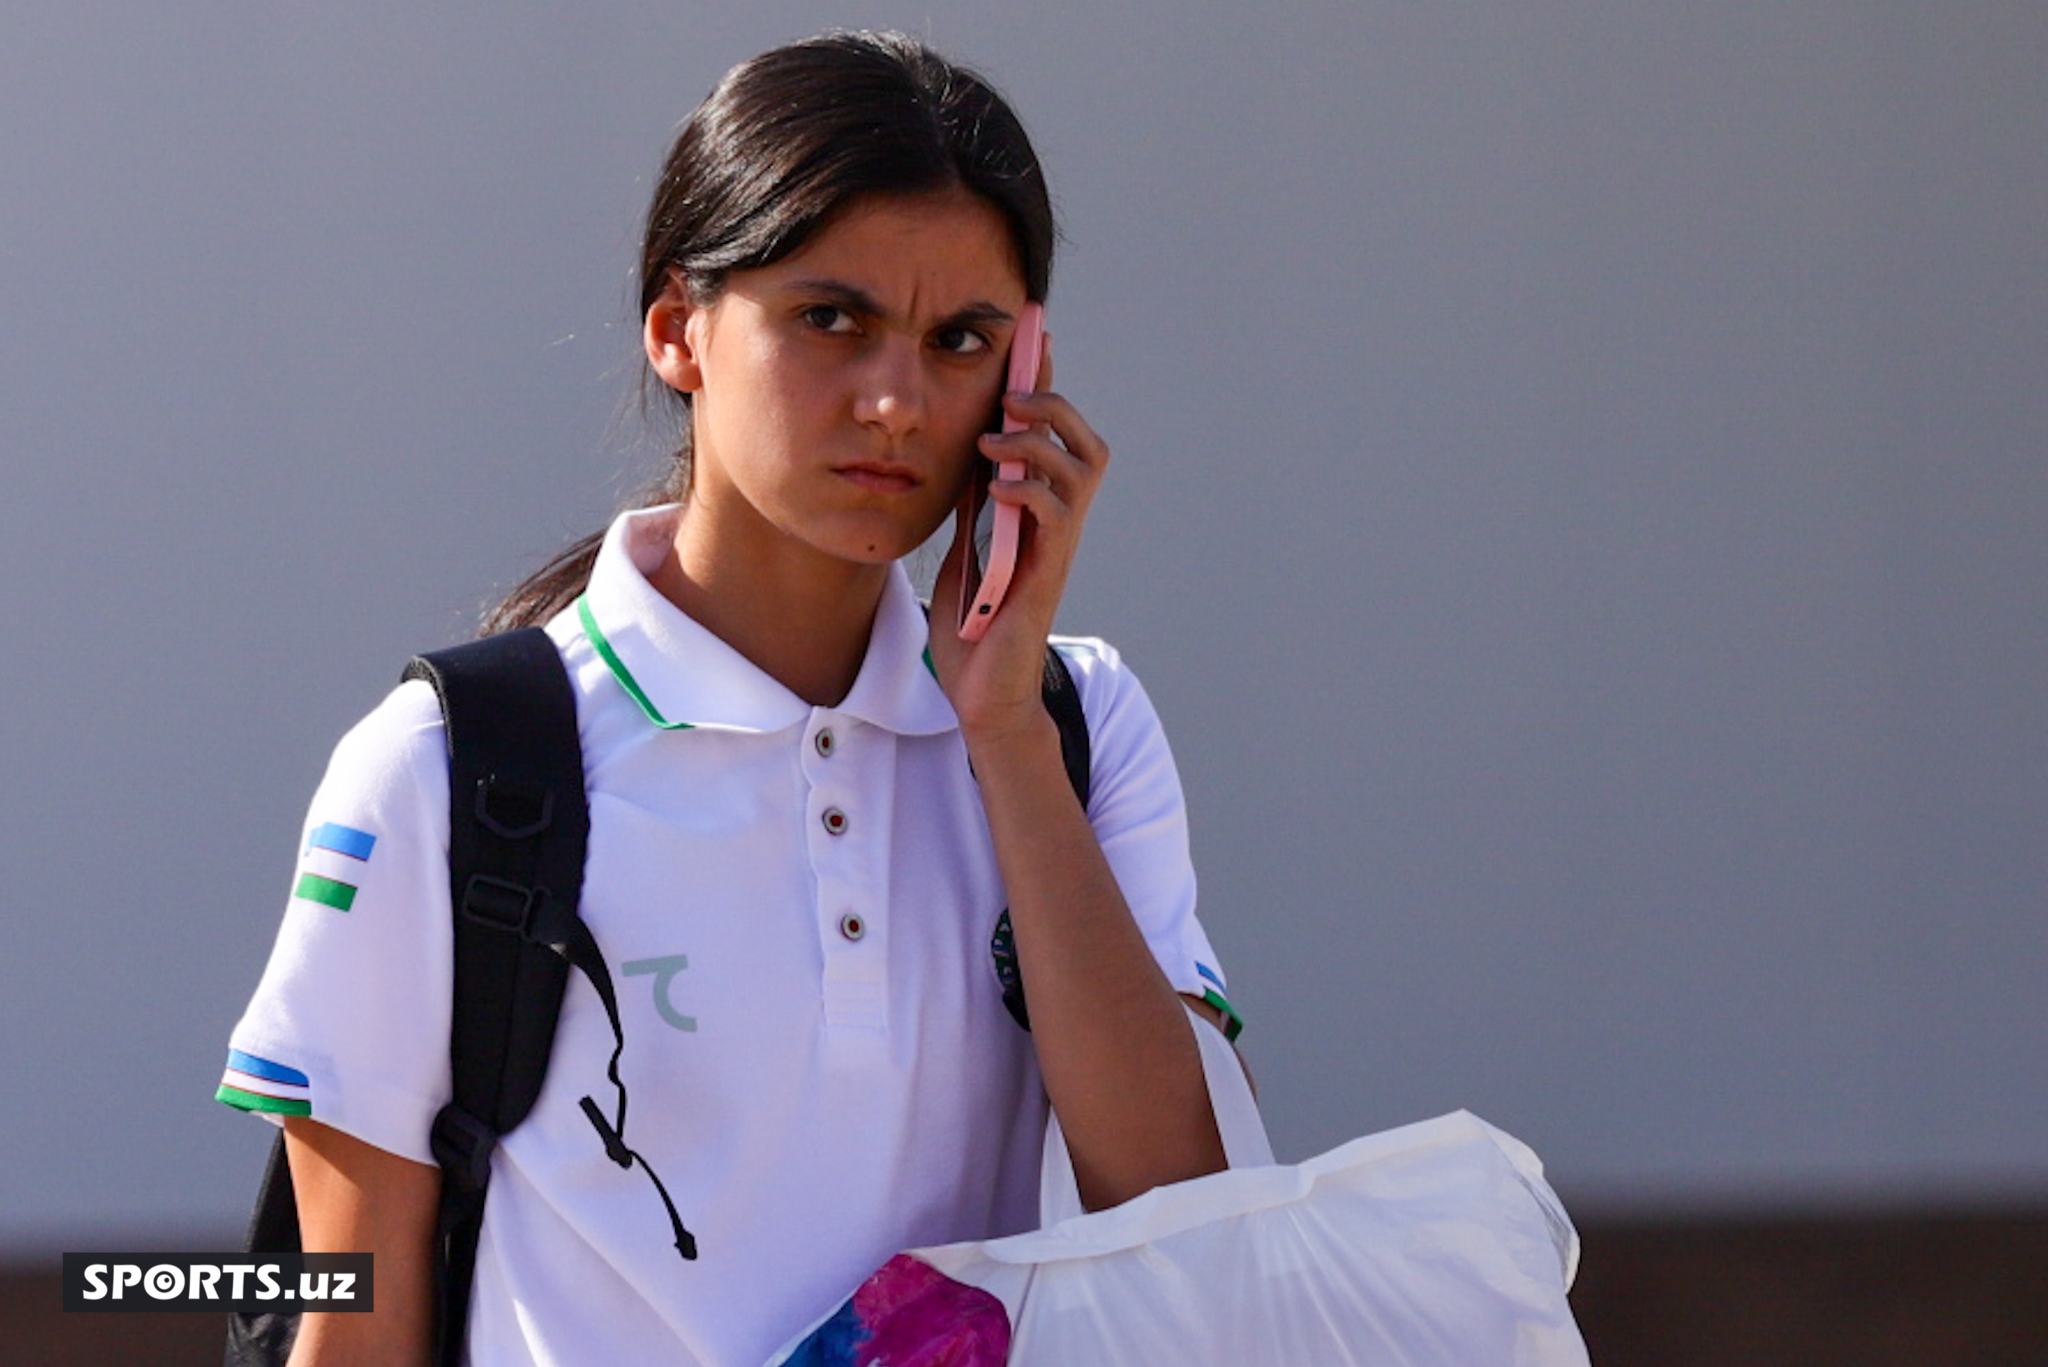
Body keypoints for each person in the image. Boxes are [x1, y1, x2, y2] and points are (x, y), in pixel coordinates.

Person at [217, 30, 1243, 1367]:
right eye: (832, 318)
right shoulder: (444, 771)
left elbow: (1185, 1226)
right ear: (676, 330)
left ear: (1027, 368)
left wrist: (998, 734)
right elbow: (352, 1327)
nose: (895, 399)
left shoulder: (1075, 730)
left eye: (963, 339)